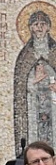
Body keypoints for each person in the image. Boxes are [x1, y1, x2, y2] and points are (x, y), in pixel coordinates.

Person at [14, 10, 56, 146]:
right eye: (36, 24)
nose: (39, 27)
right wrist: (34, 82)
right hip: (33, 105)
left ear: (49, 27)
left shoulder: (54, 51)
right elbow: (20, 87)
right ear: (30, 28)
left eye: (43, 24)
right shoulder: (26, 54)